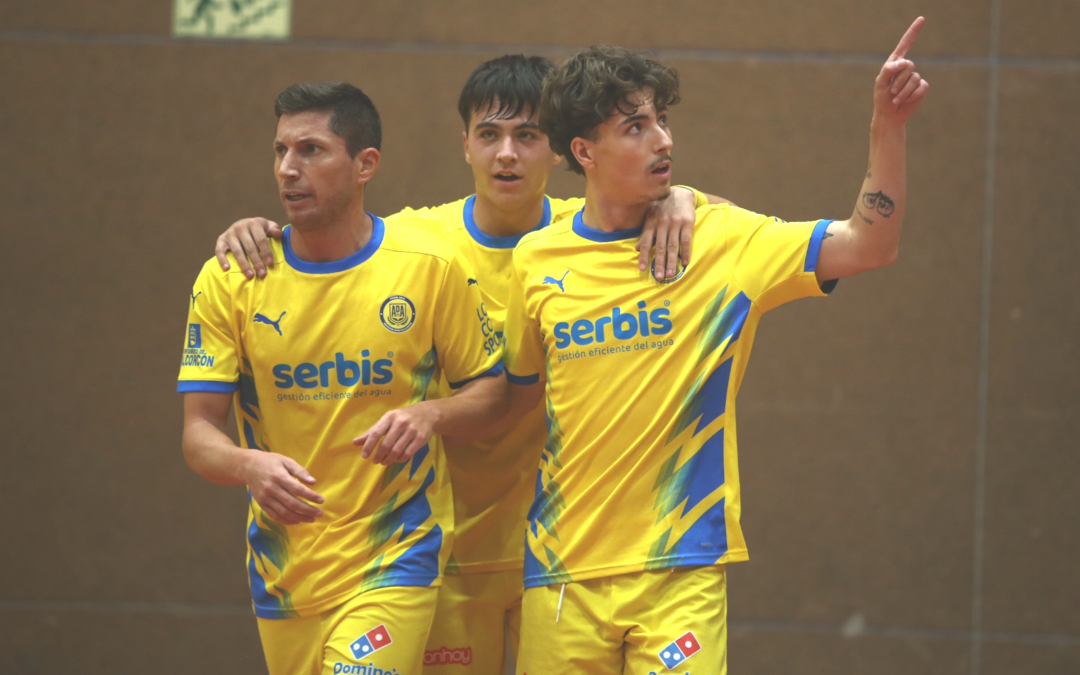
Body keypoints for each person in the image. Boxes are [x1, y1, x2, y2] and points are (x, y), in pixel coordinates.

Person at [212, 55, 730, 673]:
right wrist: (253, 232)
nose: (506, 154)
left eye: (527, 135)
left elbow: (732, 228)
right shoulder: (418, 244)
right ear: (465, 145)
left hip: (564, 552)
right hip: (448, 552)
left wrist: (682, 198)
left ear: (562, 148)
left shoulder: (599, 230)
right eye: (489, 135)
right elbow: (332, 234)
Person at [501, 19, 929, 675]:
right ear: (584, 151)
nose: (663, 139)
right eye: (635, 127)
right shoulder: (537, 258)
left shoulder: (722, 239)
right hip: (562, 573)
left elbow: (869, 243)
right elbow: (516, 394)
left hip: (683, 568)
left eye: (662, 119)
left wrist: (887, 127)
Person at [179, 82, 509, 675]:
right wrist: (247, 465)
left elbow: (493, 391)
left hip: (397, 556)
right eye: (281, 150)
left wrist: (429, 414)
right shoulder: (231, 279)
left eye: (311, 150)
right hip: (284, 571)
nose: (288, 168)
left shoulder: (428, 267)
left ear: (365, 165)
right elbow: (199, 432)